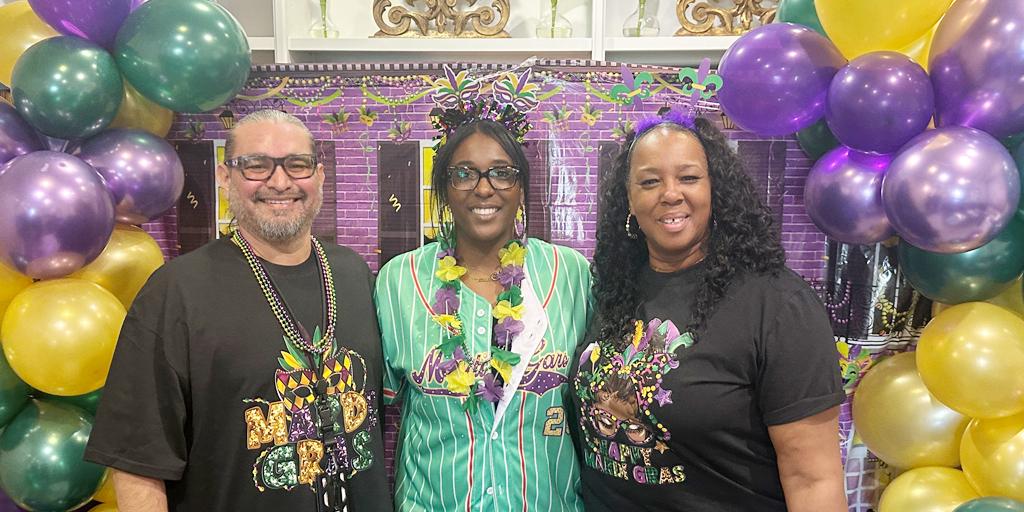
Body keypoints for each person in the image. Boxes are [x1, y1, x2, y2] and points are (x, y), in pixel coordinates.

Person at [84, 109, 391, 512]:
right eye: (256, 166)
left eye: (297, 165)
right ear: (225, 178)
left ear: (319, 176)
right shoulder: (177, 292)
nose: (280, 182)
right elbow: (138, 461)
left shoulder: (354, 275)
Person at [569, 111, 846, 512]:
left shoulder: (779, 305)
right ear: (628, 199)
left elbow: (813, 480)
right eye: (650, 181)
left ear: (716, 189)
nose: (670, 194)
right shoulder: (612, 290)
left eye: (688, 177)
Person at [375, 67, 592, 511]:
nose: (484, 189)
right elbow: (376, 413)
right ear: (445, 187)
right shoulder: (398, 282)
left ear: (521, 186)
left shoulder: (570, 274)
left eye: (501, 173)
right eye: (465, 174)